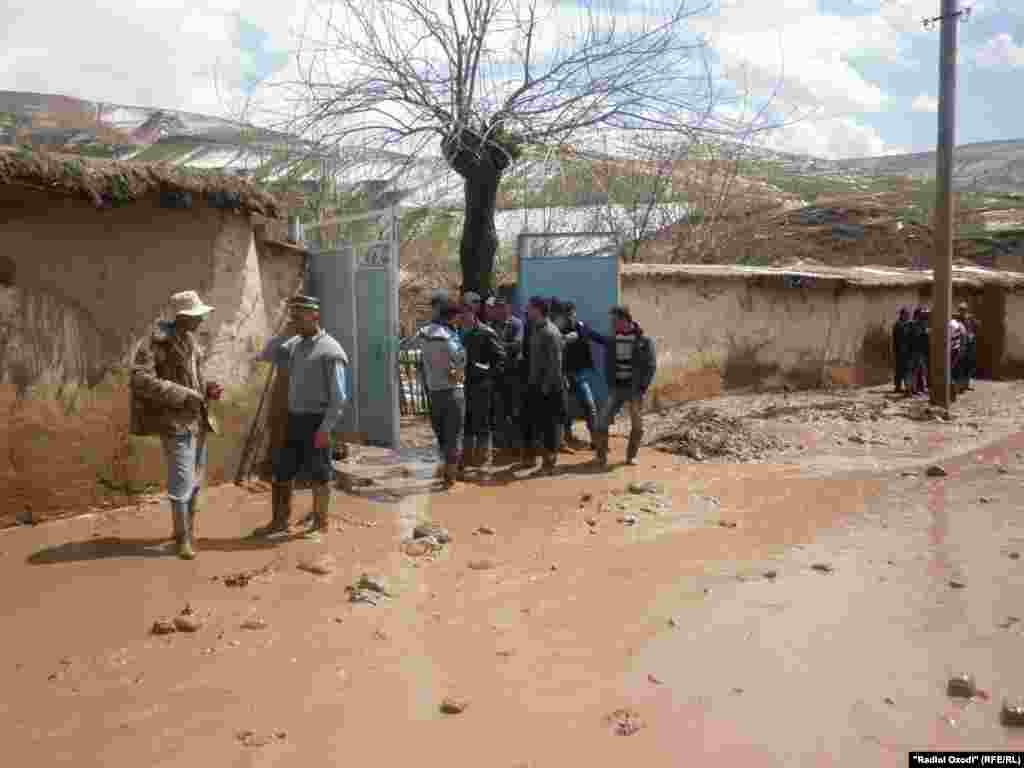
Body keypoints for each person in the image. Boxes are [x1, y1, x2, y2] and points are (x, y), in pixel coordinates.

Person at [130, 290, 223, 560]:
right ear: (181, 317)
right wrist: (182, 394)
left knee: (195, 480)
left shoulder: (191, 341)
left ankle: (186, 532)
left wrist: (207, 388)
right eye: (196, 316)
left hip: (198, 419)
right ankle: (182, 540)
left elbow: (193, 378)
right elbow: (139, 380)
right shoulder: (156, 342)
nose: (201, 320)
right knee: (181, 480)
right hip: (174, 421)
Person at [251, 295, 349, 542]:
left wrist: (325, 428)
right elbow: (267, 355)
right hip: (293, 419)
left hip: (317, 421)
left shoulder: (331, 350)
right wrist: (285, 333)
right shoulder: (294, 344)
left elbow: (339, 397)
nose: (295, 320)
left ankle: (320, 523)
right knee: (282, 471)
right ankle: (279, 521)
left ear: (315, 316)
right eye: (292, 316)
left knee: (320, 473)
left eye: (299, 316)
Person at [402, 298, 466, 487]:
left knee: (441, 435)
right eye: (458, 317)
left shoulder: (423, 333)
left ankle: (445, 470)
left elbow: (405, 345)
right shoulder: (450, 336)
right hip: (453, 392)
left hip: (433, 392)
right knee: (454, 436)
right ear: (452, 317)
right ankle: (450, 479)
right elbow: (460, 359)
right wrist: (458, 371)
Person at [585, 305, 657, 468]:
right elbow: (600, 339)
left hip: (634, 390)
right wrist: (585, 330)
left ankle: (631, 456)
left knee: (637, 426)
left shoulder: (644, 341)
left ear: (624, 320)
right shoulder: (613, 340)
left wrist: (642, 388)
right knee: (601, 423)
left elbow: (651, 366)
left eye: (614, 321)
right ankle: (601, 457)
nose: (612, 324)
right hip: (616, 389)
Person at [519, 296, 565, 475]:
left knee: (548, 425)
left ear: (538, 309)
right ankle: (531, 458)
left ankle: (549, 464)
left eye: (530, 308)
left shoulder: (550, 332)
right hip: (534, 385)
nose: (527, 310)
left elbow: (555, 364)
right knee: (530, 422)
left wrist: (545, 388)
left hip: (548, 387)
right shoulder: (535, 329)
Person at [460, 301, 506, 470]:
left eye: (466, 313)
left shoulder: (486, 332)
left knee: (482, 422)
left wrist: (486, 372)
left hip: (481, 385)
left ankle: (483, 460)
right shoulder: (457, 332)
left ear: (473, 313)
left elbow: (500, 359)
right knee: (466, 422)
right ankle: (466, 459)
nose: (463, 317)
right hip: (462, 384)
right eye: (461, 314)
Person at [556, 300, 598, 448]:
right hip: (564, 375)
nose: (570, 317)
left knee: (589, 406)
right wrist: (565, 339)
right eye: (567, 315)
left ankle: (595, 439)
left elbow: (595, 336)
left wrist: (610, 342)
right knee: (565, 408)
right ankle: (566, 437)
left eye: (572, 314)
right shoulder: (558, 331)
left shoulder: (580, 327)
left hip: (578, 375)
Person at [486, 296, 524, 457]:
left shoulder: (516, 324)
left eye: (502, 306)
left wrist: (498, 347)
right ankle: (502, 445)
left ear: (508, 307)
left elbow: (517, 345)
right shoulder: (491, 325)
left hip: (513, 374)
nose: (500, 310)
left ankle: (516, 444)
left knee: (514, 410)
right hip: (497, 374)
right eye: (497, 307)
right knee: (499, 411)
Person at [910, 306, 930, 397]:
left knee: (921, 370)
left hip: (921, 351)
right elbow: (917, 336)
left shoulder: (921, 324)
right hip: (915, 350)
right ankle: (914, 389)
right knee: (916, 370)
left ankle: (920, 388)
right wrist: (925, 332)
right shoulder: (914, 324)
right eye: (922, 314)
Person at [892, 307, 913, 394]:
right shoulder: (898, 325)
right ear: (902, 315)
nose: (907, 316)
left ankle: (907, 387)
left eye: (908, 314)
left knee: (906, 370)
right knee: (899, 370)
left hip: (907, 351)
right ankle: (898, 387)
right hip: (900, 351)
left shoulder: (908, 324)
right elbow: (896, 339)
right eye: (906, 314)